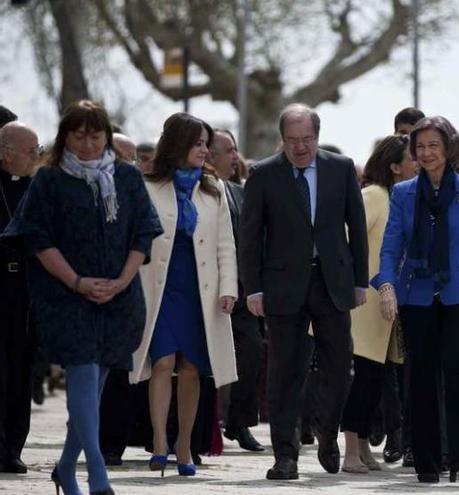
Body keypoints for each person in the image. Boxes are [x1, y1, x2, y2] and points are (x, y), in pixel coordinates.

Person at [2, 99, 162, 495]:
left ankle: (65, 468)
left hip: (119, 298)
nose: (88, 144)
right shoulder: (49, 180)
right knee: (83, 376)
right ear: (66, 137)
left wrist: (123, 280)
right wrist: (76, 282)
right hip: (65, 297)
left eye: (95, 135)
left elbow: (143, 233)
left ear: (106, 136)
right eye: (79, 136)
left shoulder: (126, 177)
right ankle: (97, 477)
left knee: (94, 388)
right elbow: (36, 237)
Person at [239, 103, 369, 480]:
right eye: (293, 141)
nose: (301, 148)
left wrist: (360, 281)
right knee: (284, 372)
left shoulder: (340, 168)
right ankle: (285, 455)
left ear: (317, 136)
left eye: (307, 140)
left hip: (332, 283)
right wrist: (254, 288)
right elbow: (250, 237)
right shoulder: (263, 174)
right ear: (282, 140)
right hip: (282, 286)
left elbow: (356, 229)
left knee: (340, 366)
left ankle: (328, 434)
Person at [372, 115, 459, 483]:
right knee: (421, 377)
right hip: (417, 294)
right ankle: (427, 460)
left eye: (434, 146)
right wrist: (385, 285)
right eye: (421, 147)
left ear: (449, 149)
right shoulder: (403, 192)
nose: (427, 153)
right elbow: (391, 244)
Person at [130, 113, 239, 478]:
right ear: (178, 144)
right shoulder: (147, 185)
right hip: (158, 287)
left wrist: (228, 289)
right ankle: (160, 441)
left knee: (192, 367)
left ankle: (185, 444)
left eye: (207, 143)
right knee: (161, 362)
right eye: (198, 143)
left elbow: (226, 243)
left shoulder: (214, 188)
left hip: (199, 289)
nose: (205, 150)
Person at [340, 134, 416, 474]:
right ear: (395, 167)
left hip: (389, 309)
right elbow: (345, 243)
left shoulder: (402, 200)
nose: (419, 162)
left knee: (375, 383)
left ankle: (366, 452)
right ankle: (351, 453)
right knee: (361, 381)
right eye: (412, 158)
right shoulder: (373, 196)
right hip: (364, 306)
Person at [207, 129, 264, 453]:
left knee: (253, 351)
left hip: (241, 288)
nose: (235, 156)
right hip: (209, 289)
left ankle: (239, 423)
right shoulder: (204, 191)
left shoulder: (240, 193)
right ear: (210, 156)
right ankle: (207, 424)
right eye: (228, 150)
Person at [0, 121, 39, 474]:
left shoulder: (38, 188)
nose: (36, 157)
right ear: (5, 153)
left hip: (26, 293)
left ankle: (13, 446)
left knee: (20, 371)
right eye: (30, 151)